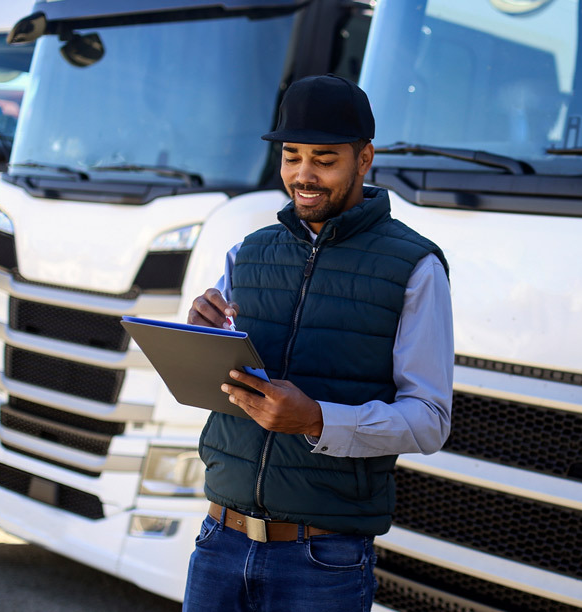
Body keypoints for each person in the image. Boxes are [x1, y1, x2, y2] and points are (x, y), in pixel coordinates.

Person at [181, 74, 453, 612]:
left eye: (324, 159)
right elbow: (223, 387)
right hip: (218, 540)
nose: (303, 175)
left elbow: (429, 420)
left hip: (322, 561)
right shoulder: (248, 252)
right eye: (291, 156)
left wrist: (316, 421)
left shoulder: (416, 268)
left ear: (364, 158)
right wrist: (201, 339)